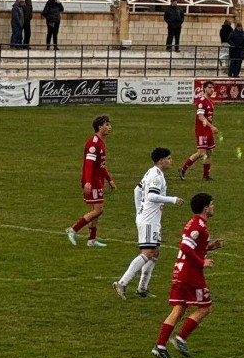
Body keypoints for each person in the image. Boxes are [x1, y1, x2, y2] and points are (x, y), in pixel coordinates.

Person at [151, 193, 224, 358]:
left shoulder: (196, 223)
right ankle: (180, 338)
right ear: (206, 208)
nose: (213, 207)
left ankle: (160, 345)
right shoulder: (199, 225)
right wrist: (201, 262)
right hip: (190, 273)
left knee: (179, 308)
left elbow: (192, 246)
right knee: (205, 307)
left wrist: (211, 247)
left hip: (181, 270)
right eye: (211, 204)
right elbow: (185, 246)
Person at [114, 147, 184, 300]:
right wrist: (172, 200)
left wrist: (139, 209)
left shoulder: (152, 172)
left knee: (155, 251)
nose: (171, 161)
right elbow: (152, 196)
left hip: (151, 218)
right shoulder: (155, 177)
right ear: (161, 161)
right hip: (149, 220)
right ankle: (122, 282)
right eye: (169, 158)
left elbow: (136, 191)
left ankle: (142, 288)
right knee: (147, 252)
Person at [66, 115, 116, 247]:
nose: (109, 127)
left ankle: (92, 240)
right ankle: (73, 229)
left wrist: (109, 180)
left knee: (97, 209)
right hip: (92, 181)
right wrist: (87, 182)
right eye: (107, 125)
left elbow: (101, 165)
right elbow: (88, 164)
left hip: (98, 180)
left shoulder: (100, 142)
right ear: (100, 127)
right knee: (98, 210)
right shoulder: (93, 144)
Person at [180, 81, 218, 181]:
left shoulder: (210, 101)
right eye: (209, 87)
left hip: (208, 131)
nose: (211, 89)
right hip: (202, 131)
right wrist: (212, 127)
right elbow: (200, 117)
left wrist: (210, 127)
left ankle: (206, 176)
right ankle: (183, 169)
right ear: (204, 89)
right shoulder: (201, 101)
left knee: (210, 152)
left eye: (212, 88)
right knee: (201, 153)